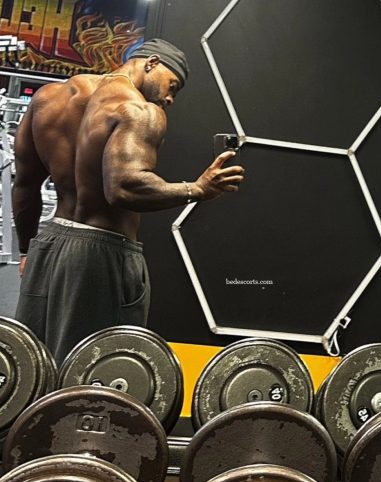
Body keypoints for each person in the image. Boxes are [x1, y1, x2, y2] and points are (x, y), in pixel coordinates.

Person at [13, 38, 244, 365]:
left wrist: (27, 250)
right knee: (97, 370)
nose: (169, 99)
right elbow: (122, 188)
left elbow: (24, 186)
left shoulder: (49, 98)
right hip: (101, 255)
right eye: (172, 86)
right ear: (151, 63)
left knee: (33, 363)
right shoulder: (139, 110)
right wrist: (197, 189)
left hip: (49, 245)